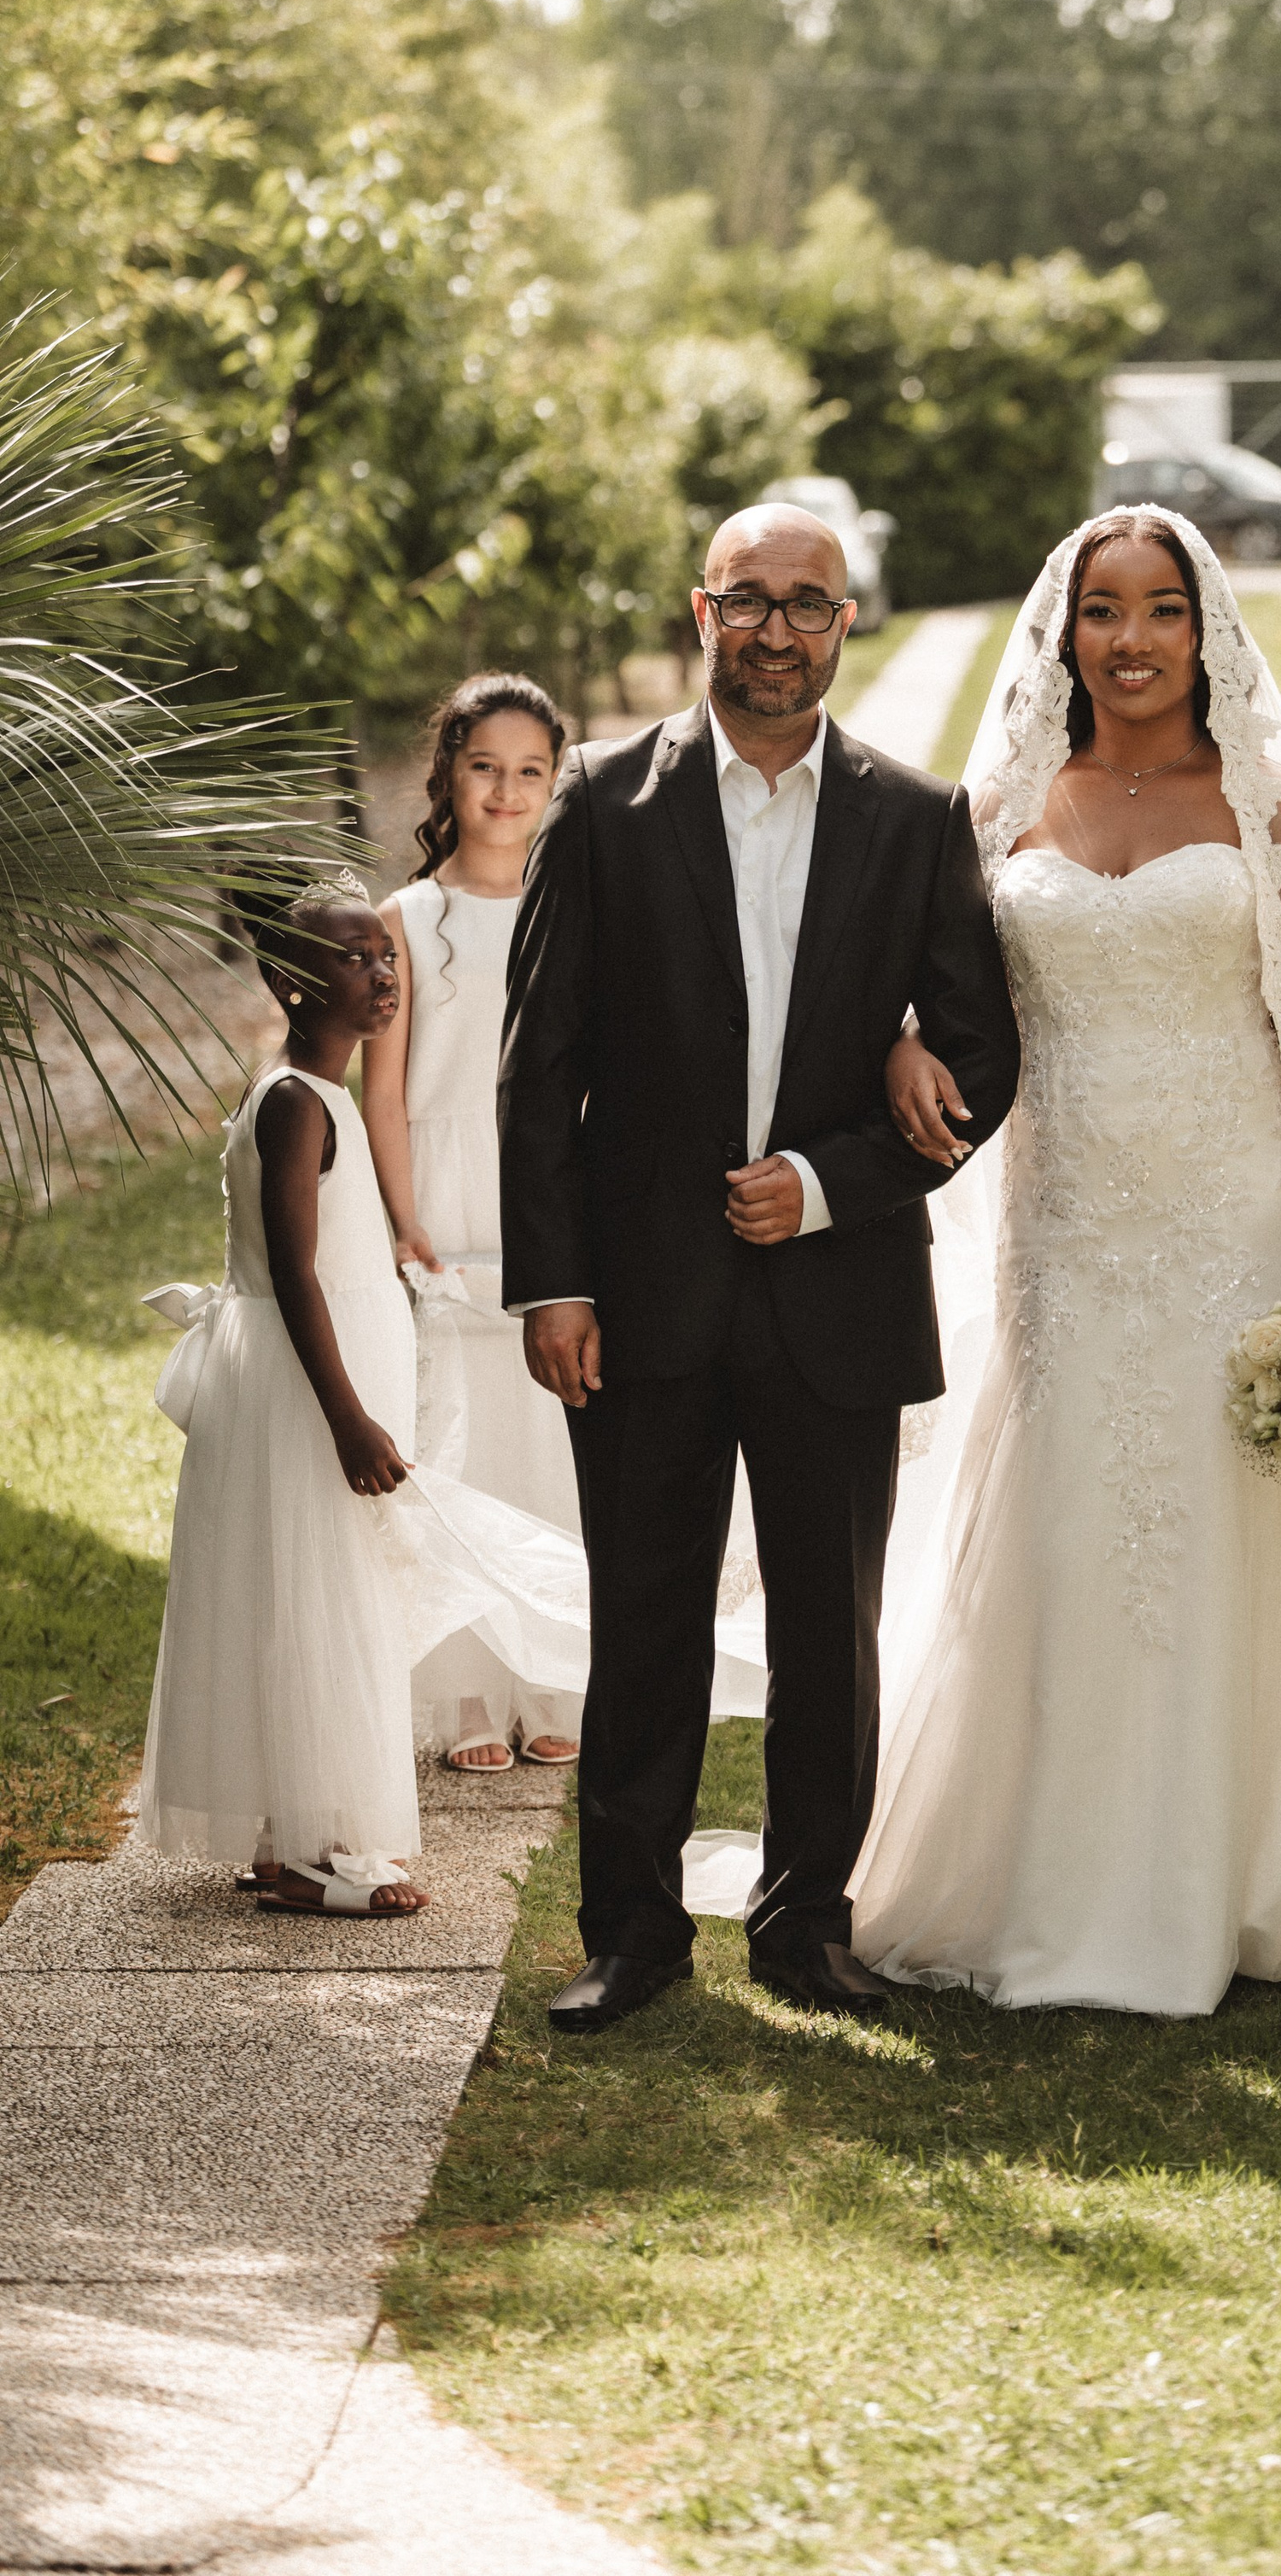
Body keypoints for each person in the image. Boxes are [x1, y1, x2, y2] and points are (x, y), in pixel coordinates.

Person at [851, 509, 1281, 2014]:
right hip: (1068, 1234)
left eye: (1162, 610)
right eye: (1103, 612)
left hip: (1233, 1224)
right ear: (1063, 635)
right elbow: (916, 981)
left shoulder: (1275, 814)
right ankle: (1045, 1876)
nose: (1130, 641)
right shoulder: (1002, 809)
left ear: (1205, 630)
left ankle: (1238, 1875)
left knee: (1215, 1528)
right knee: (1067, 1521)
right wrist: (899, 1041)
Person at [500, 502, 1021, 2031]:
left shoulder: (918, 821)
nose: (778, 629)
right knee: (645, 1621)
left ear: (845, 625)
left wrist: (828, 1182)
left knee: (826, 1633)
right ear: (701, 610)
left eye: (809, 604)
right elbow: (543, 1073)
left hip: (833, 1298)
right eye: (751, 600)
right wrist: (556, 1283)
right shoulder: (601, 803)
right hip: (641, 1296)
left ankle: (806, 1925)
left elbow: (983, 1052)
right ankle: (633, 1935)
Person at [139, 877, 430, 1919]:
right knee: (317, 1594)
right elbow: (296, 1274)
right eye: (353, 957)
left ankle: (288, 1833)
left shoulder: (323, 1095)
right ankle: (315, 1854)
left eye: (383, 953)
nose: (381, 970)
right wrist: (349, 1417)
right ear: (291, 983)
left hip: (315, 1372)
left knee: (305, 1591)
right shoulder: (297, 1104)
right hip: (308, 1389)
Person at [363, 673, 583, 1775]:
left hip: (548, 1189)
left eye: (530, 771)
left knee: (548, 1443)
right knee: (458, 1443)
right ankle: (462, 1698)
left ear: (557, 783)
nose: (506, 791)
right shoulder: (407, 920)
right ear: (448, 774)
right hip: (446, 1193)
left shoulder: (576, 906)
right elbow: (387, 1092)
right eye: (484, 767)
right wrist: (404, 1222)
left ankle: (552, 1678)